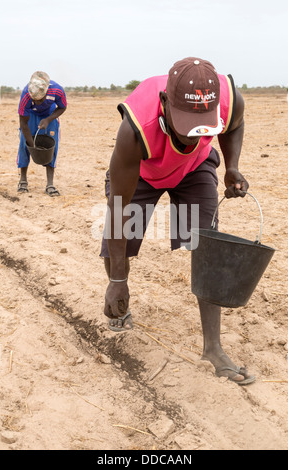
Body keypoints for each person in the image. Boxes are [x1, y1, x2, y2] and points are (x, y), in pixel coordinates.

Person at [100, 57, 256, 386]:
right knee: (125, 233)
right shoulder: (136, 127)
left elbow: (234, 125)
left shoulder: (228, 98)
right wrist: (117, 279)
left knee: (206, 244)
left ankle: (213, 348)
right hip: (144, 171)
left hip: (194, 169)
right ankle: (121, 302)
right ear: (164, 104)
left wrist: (232, 165)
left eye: (202, 128)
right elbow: (117, 209)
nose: (190, 138)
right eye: (185, 126)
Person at [17, 71, 67, 196]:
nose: (38, 102)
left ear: (46, 92)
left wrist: (49, 119)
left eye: (40, 99)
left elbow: (62, 107)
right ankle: (23, 180)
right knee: (24, 144)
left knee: (52, 146)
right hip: (31, 116)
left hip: (50, 114)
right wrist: (32, 145)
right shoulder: (25, 95)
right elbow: (23, 124)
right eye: (35, 100)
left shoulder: (57, 90)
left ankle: (50, 184)